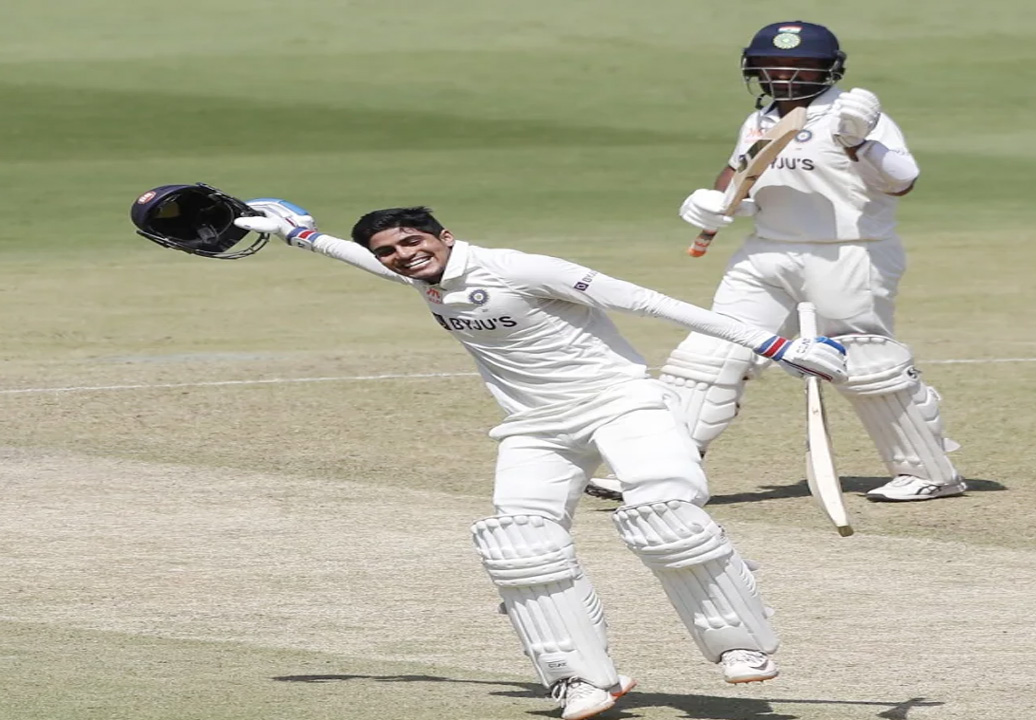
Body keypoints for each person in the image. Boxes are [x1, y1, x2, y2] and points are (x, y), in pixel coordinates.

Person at [233, 201, 848, 720]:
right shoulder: (421, 276)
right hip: (534, 426)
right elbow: (366, 258)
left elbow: (648, 301)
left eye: (412, 243)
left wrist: (775, 344)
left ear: (444, 236)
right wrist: (300, 234)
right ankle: (581, 678)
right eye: (390, 252)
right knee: (519, 546)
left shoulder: (521, 269)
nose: (403, 256)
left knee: (664, 515)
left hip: (621, 403)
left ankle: (739, 644)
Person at [655, 19, 966, 502]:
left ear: (827, 69)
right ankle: (662, 471)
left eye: (801, 65)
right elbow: (742, 171)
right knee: (712, 352)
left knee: (865, 361)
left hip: (847, 251)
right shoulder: (760, 119)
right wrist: (717, 201)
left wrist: (859, 143)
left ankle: (930, 472)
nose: (786, 75)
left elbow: (902, 180)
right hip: (766, 250)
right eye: (773, 65)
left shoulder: (854, 115)